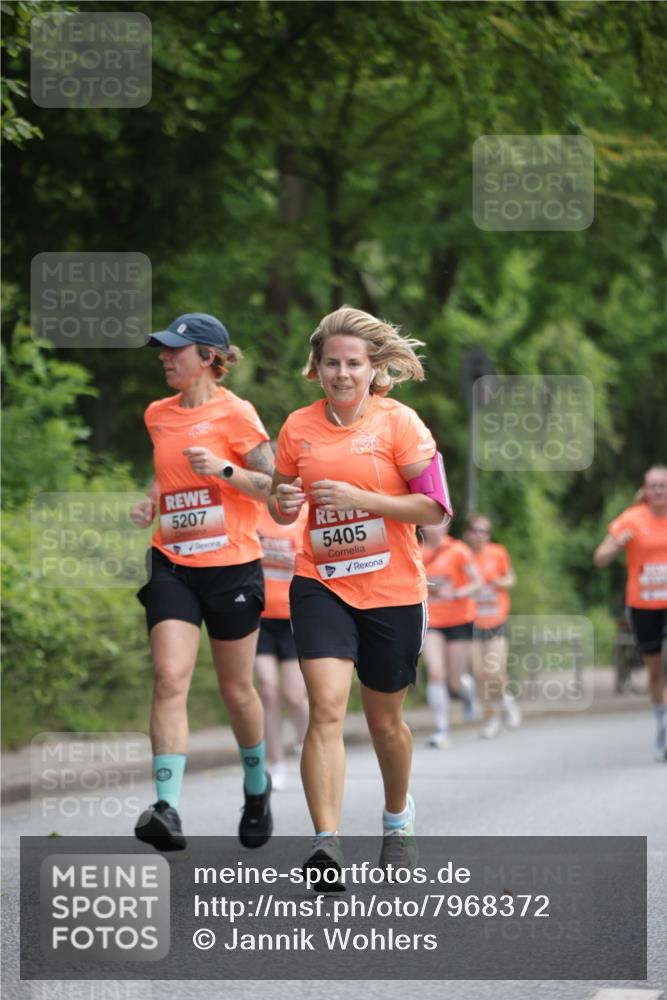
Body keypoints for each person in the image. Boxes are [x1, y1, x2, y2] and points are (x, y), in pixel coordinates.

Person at [268, 306, 450, 883]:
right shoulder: (298, 427)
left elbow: (436, 510)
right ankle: (327, 842)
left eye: (353, 363)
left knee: (384, 722)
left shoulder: (401, 424)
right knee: (324, 707)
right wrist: (285, 504)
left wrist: (361, 499)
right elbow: (279, 496)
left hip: (393, 588)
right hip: (320, 581)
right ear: (316, 367)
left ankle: (397, 818)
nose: (341, 374)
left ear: (375, 369)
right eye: (330, 363)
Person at [130, 312, 275, 850]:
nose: (165, 357)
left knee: (237, 691)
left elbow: (272, 488)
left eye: (175, 350)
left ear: (209, 358)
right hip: (172, 563)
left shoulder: (237, 414)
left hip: (232, 567)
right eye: (163, 350)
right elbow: (168, 468)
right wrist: (153, 496)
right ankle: (167, 808)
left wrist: (222, 469)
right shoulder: (157, 414)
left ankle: (257, 789)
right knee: (170, 678)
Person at [593, 465, 667, 762]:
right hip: (643, 605)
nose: (658, 491)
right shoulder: (631, 519)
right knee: (655, 671)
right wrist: (616, 546)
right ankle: (661, 720)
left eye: (663, 485)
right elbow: (599, 558)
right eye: (653, 486)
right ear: (645, 490)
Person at [255, 500, 309, 791]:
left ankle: (306, 745)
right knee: (268, 690)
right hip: (260, 616)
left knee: (294, 695)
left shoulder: (305, 514)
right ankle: (276, 763)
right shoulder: (255, 511)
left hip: (293, 617)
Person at [421, 522, 482, 747]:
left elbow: (478, 582)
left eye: (438, 525)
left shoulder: (458, 551)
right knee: (436, 673)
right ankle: (441, 730)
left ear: (446, 528)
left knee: (454, 682)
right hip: (432, 621)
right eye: (430, 525)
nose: (434, 529)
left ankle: (465, 690)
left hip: (459, 619)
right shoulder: (417, 550)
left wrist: (456, 593)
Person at [464, 513, 521, 739]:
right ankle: (490, 719)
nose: (480, 535)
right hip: (472, 621)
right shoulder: (462, 555)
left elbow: (511, 578)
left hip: (496, 618)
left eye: (485, 531)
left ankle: (508, 702)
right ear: (468, 534)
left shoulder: (497, 553)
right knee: (479, 674)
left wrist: (500, 581)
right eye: (476, 530)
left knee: (494, 671)